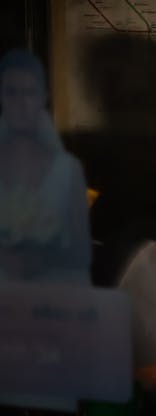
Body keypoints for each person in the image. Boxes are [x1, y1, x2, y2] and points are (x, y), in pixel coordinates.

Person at [0, 48, 90, 284]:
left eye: (30, 92)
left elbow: (82, 252)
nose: (22, 103)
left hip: (52, 296)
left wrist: (43, 258)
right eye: (12, 92)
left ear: (43, 97)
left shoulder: (69, 169)